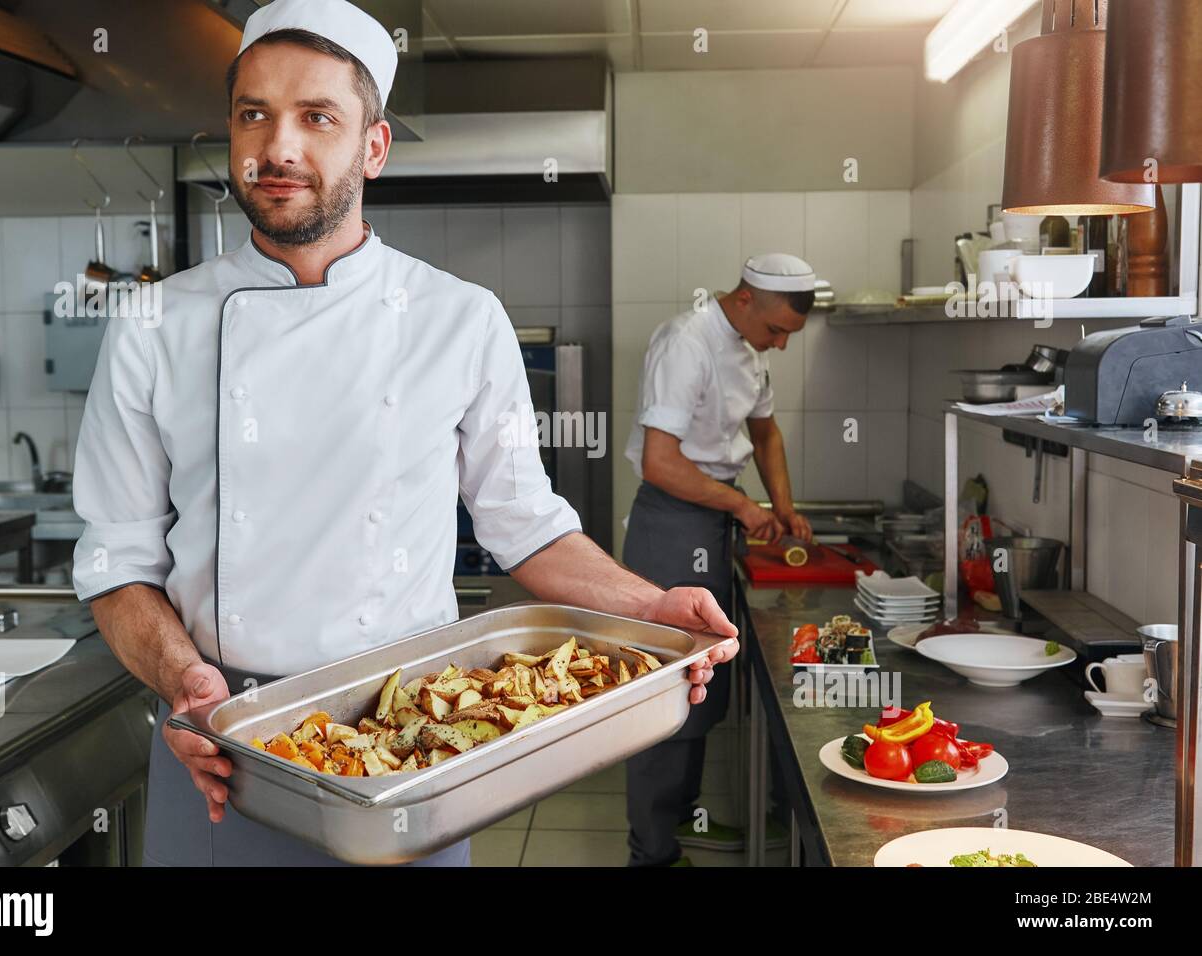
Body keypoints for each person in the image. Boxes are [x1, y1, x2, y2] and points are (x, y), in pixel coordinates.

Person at [71, 0, 737, 868]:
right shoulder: (152, 324)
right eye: (253, 114)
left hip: (413, 752)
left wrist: (650, 607)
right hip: (222, 752)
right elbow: (117, 563)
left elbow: (524, 526)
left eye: (317, 118)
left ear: (373, 149)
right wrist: (186, 684)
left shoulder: (459, 320)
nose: (278, 148)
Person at [620, 253, 815, 866]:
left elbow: (766, 434)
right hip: (672, 523)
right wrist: (742, 504)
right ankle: (649, 850)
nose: (780, 346)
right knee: (667, 684)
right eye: (777, 331)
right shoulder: (687, 343)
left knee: (703, 679)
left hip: (712, 519)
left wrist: (781, 508)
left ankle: (684, 819)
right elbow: (660, 461)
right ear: (743, 301)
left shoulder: (750, 349)